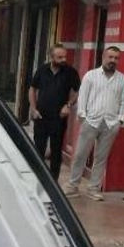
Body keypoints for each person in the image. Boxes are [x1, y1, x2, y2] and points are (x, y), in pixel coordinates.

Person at [66, 46, 124, 201]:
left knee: (101, 158)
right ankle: (72, 186)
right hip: (91, 121)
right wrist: (83, 116)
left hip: (110, 123)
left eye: (116, 58)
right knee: (80, 155)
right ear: (103, 57)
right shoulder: (91, 75)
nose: (113, 60)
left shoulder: (123, 79)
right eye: (110, 57)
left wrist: (120, 119)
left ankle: (93, 189)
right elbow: (83, 97)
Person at [28, 45, 81, 180]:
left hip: (59, 118)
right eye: (60, 57)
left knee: (56, 151)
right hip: (41, 116)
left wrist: (68, 105)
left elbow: (77, 91)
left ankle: (53, 181)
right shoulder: (42, 70)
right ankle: (37, 179)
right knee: (38, 150)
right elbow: (32, 89)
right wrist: (33, 109)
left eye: (64, 56)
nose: (64, 59)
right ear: (51, 57)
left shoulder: (70, 72)